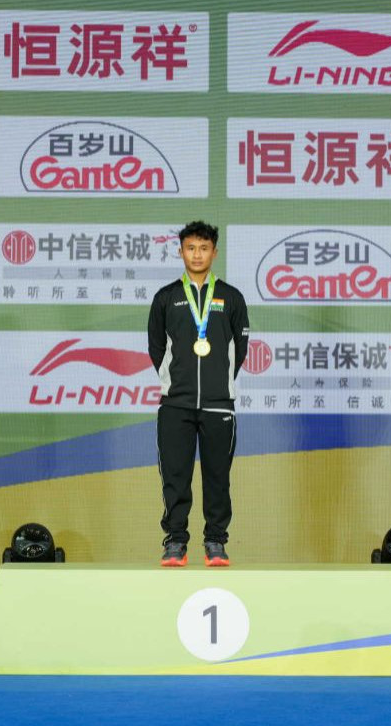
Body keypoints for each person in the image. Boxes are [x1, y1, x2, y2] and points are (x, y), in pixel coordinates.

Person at [148, 221, 250, 567]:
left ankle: (215, 541)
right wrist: (175, 380)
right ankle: (176, 540)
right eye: (190, 248)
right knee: (174, 476)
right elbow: (156, 348)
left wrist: (220, 382)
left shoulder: (232, 298)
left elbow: (239, 350)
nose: (197, 254)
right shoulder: (166, 297)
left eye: (204, 248)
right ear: (181, 251)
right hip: (175, 404)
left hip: (219, 405)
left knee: (218, 477)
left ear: (214, 253)